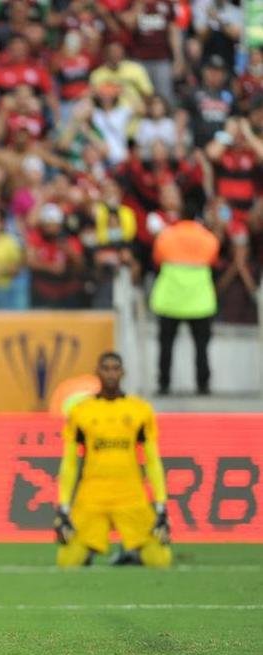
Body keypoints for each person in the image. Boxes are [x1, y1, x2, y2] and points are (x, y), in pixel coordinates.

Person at [54, 352, 171, 569]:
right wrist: (63, 506)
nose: (110, 373)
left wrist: (162, 504)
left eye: (115, 368)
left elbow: (152, 460)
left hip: (130, 492)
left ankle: (131, 552)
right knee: (67, 561)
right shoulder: (81, 411)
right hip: (93, 492)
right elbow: (70, 462)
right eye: (105, 368)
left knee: (160, 561)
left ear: (123, 372)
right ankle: (91, 549)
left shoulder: (139, 410)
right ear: (97, 372)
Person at [150, 215, 219, 395]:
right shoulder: (208, 237)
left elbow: (157, 259)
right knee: (201, 347)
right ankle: (203, 385)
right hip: (199, 301)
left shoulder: (166, 236)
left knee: (166, 346)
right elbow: (213, 259)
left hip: (170, 299)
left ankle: (164, 384)